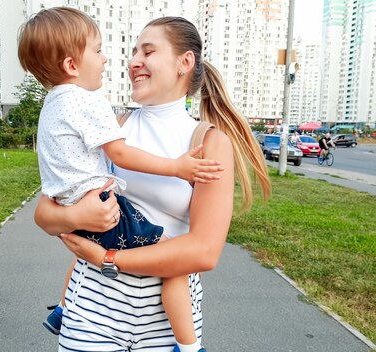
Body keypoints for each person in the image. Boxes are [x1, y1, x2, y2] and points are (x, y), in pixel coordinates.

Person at [34, 16, 271, 352]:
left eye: (148, 51)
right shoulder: (114, 129)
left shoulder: (207, 142)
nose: (133, 62)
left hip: (170, 323)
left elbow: (204, 251)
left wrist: (107, 257)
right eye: (133, 53)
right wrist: (76, 218)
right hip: (94, 306)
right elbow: (45, 213)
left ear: (184, 62)